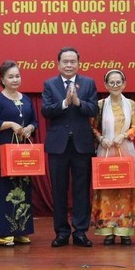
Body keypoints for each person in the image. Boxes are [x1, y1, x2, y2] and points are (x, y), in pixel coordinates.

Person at [41, 47, 99, 248]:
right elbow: (46, 111)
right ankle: (62, 232)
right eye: (65, 61)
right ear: (58, 64)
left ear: (78, 63)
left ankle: (81, 231)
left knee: (81, 190)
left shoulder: (88, 83)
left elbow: (93, 109)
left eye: (72, 61)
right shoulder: (50, 84)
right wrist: (65, 103)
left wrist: (78, 102)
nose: (69, 65)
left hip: (82, 145)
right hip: (58, 146)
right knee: (59, 190)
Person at [0, 61, 39, 246]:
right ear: (2, 79)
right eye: (10, 77)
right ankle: (0, 233)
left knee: (22, 190)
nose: (15, 80)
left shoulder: (25, 99)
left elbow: (34, 120)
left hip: (22, 153)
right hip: (5, 150)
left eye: (17, 76)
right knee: (4, 190)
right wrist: (10, 125)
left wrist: (31, 127)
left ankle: (20, 230)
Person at [90, 69, 135, 246]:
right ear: (106, 85)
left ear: (124, 84)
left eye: (119, 82)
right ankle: (107, 231)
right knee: (106, 190)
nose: (115, 85)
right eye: (111, 82)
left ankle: (125, 231)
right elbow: (92, 127)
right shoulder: (100, 105)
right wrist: (101, 138)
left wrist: (124, 135)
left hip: (125, 150)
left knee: (125, 191)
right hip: (106, 151)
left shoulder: (131, 104)